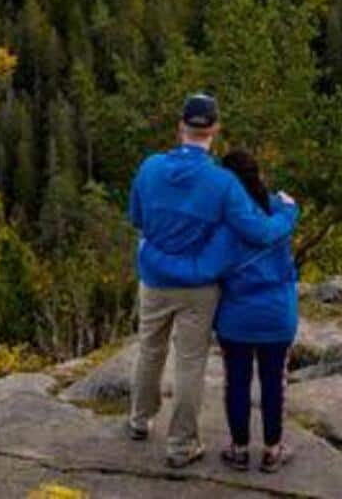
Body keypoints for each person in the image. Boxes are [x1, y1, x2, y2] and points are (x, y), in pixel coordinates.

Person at [126, 92, 297, 468]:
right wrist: (288, 212)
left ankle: (139, 420)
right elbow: (260, 231)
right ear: (215, 130)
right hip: (198, 287)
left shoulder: (149, 168)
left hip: (154, 278)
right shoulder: (222, 183)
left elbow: (136, 218)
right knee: (189, 363)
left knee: (150, 349)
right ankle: (181, 446)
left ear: (180, 127)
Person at [210, 150, 300, 473]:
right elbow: (289, 212)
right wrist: (289, 209)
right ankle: (273, 450)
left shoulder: (222, 221)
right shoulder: (280, 209)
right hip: (277, 314)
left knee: (237, 382)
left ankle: (239, 449)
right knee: (274, 382)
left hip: (236, 317)